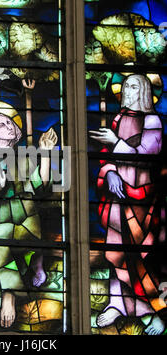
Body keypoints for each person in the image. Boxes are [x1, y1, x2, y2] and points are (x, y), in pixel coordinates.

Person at [89, 74, 166, 334]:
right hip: (117, 198)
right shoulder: (119, 118)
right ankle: (116, 304)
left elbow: (147, 157)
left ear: (144, 91)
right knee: (116, 254)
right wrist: (110, 172)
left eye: (133, 86)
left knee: (141, 257)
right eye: (125, 86)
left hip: (141, 199)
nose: (126, 90)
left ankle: (155, 310)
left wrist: (115, 142)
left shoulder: (152, 120)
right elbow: (105, 155)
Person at [0, 108, 58, 328]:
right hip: (3, 225)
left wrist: (47, 153)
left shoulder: (24, 158)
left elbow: (40, 185)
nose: (10, 126)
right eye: (2, 124)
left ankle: (9, 295)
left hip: (27, 220)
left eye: (11, 123)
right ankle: (30, 266)